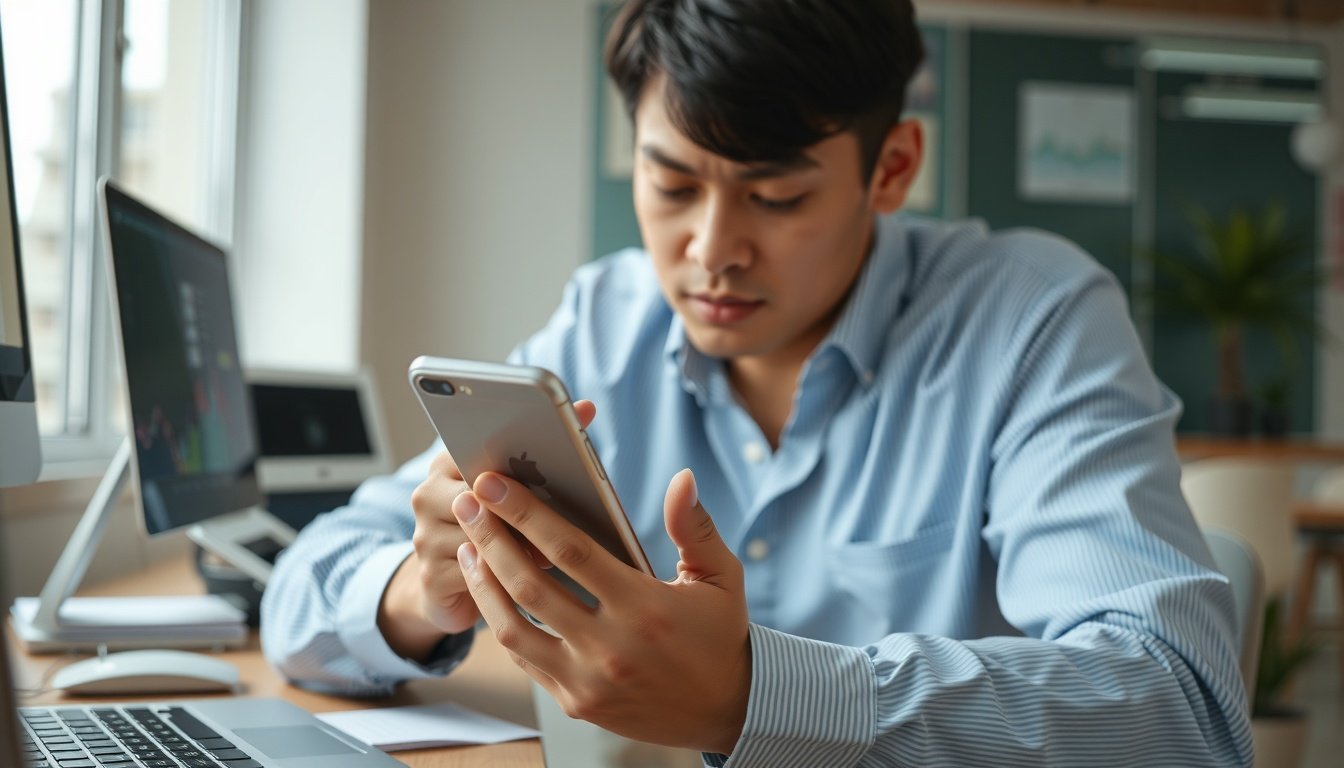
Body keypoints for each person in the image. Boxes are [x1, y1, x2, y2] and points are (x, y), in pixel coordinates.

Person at [261, 1, 1251, 765]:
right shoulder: (606, 319)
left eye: (776, 197)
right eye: (673, 184)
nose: (711, 251)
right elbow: (300, 598)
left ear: (892, 168)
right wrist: (418, 591)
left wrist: (751, 694)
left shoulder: (1035, 321)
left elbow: (1181, 711)